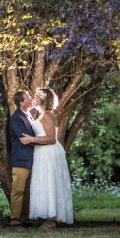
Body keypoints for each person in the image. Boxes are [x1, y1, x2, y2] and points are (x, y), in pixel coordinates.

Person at [20, 87, 73, 228]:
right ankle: (49, 218)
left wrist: (31, 139)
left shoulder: (48, 115)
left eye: (36, 97)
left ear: (42, 99)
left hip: (48, 153)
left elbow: (51, 139)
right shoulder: (42, 114)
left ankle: (51, 219)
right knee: (44, 182)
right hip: (42, 153)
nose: (33, 99)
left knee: (49, 182)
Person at [8, 90, 36, 227]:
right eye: (28, 98)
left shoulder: (29, 115)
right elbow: (24, 138)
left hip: (31, 159)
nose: (32, 99)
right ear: (21, 103)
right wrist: (44, 140)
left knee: (28, 191)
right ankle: (15, 219)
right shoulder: (16, 118)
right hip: (21, 160)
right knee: (18, 190)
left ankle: (25, 218)